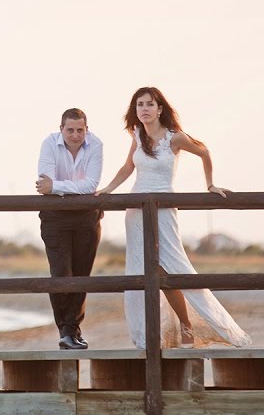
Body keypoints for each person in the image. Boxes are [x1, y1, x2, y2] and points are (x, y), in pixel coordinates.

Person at [95, 87, 251, 348]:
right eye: (139, 105)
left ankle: (188, 324)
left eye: (149, 104)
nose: (144, 109)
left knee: (171, 268)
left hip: (165, 209)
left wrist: (210, 185)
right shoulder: (137, 135)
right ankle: (150, 335)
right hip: (136, 211)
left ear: (160, 109)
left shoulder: (175, 138)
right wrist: (108, 190)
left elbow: (204, 152)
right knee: (142, 271)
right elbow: (128, 167)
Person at [34, 107, 104, 349]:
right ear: (61, 129)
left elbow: (92, 184)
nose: (76, 135)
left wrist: (58, 186)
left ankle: (70, 331)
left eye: (80, 130)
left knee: (82, 275)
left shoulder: (96, 145)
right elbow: (45, 182)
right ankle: (66, 330)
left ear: (87, 129)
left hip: (87, 217)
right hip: (55, 217)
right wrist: (67, 187)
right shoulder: (49, 144)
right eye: (70, 130)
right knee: (61, 274)